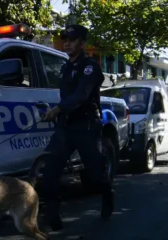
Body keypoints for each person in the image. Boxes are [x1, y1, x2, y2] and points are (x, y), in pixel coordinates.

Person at [41, 24, 114, 231]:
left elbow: (81, 95)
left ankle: (107, 192)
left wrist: (57, 109)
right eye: (65, 39)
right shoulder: (65, 67)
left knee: (94, 176)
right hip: (65, 127)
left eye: (72, 40)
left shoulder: (90, 66)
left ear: (82, 43)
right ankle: (54, 220)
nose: (67, 43)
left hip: (87, 127)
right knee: (50, 172)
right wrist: (58, 113)